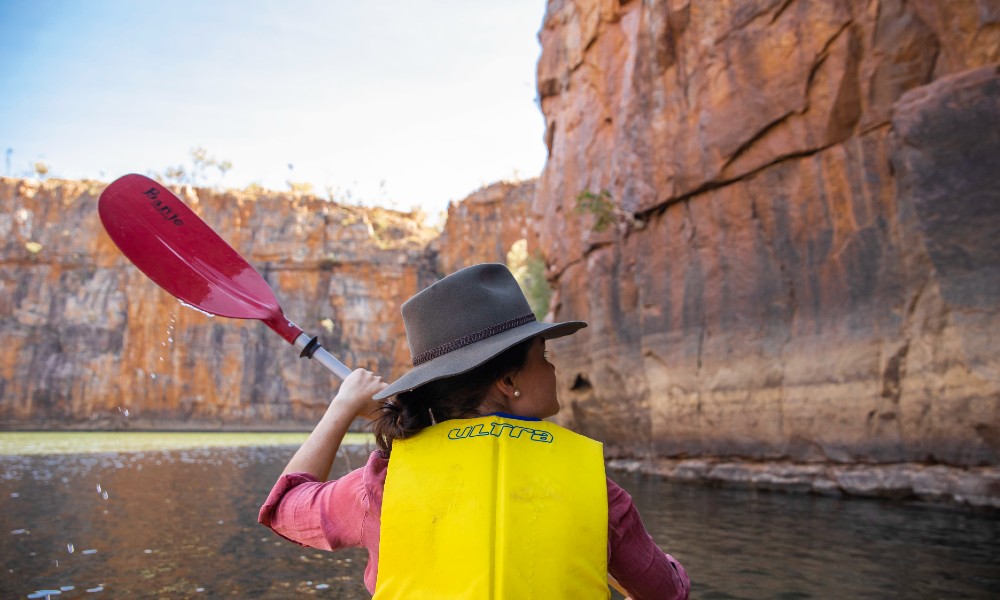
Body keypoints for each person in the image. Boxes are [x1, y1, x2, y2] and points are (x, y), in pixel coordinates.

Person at [259, 263, 690, 599]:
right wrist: (667, 567)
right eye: (543, 355)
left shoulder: (382, 486)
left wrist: (343, 406)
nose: (554, 368)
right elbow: (667, 592)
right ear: (508, 382)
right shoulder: (595, 488)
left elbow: (284, 509)